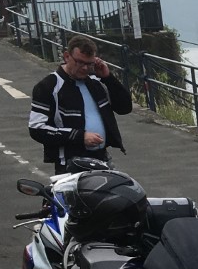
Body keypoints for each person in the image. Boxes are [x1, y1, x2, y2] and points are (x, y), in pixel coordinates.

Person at [28, 34, 133, 171]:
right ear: (67, 56)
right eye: (79, 62)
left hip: (102, 159)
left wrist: (108, 77)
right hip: (69, 164)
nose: (84, 68)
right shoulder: (48, 86)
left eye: (89, 64)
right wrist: (79, 136)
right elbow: (36, 129)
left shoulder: (96, 82)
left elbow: (124, 108)